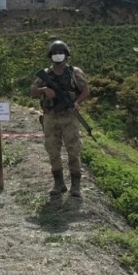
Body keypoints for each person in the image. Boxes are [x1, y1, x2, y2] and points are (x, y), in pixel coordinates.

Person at [30, 40, 90, 198]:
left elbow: (85, 90)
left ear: (66, 54)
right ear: (51, 56)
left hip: (69, 117)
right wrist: (44, 90)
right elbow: (32, 91)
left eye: (60, 52)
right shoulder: (45, 74)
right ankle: (59, 183)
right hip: (50, 117)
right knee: (52, 150)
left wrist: (76, 103)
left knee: (74, 150)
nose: (58, 55)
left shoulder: (74, 72)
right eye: (55, 53)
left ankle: (75, 185)